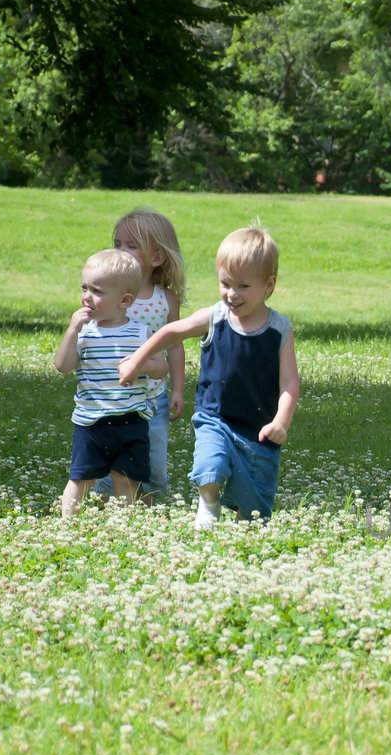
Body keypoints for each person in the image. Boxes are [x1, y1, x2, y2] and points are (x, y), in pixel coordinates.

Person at [118, 227, 299, 528]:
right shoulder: (215, 317)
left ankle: (246, 540)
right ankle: (209, 501)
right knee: (209, 465)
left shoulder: (279, 329)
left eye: (242, 286)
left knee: (254, 511)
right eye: (225, 283)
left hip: (258, 428)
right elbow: (171, 331)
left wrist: (281, 421)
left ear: (269, 285)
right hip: (214, 418)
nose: (231, 293)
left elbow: (289, 383)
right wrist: (137, 360)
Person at [54, 249, 167, 517]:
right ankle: (66, 524)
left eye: (97, 291)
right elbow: (63, 366)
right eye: (84, 288)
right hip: (91, 421)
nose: (86, 297)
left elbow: (161, 368)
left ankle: (124, 524)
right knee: (81, 478)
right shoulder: (85, 332)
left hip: (130, 420)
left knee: (126, 479)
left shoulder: (141, 333)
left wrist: (142, 364)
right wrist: (71, 331)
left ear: (125, 300)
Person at [93, 207, 186, 503]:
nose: (120, 250)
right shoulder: (110, 296)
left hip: (153, 397)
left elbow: (174, 344)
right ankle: (112, 507)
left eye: (131, 246)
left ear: (157, 257)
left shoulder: (165, 299)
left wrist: (179, 389)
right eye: (117, 243)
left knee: (153, 461)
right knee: (112, 457)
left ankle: (150, 507)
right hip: (114, 396)